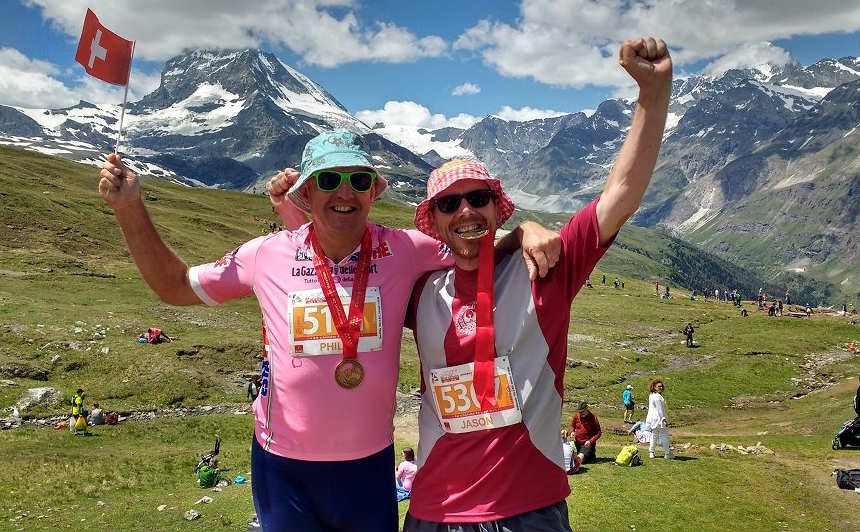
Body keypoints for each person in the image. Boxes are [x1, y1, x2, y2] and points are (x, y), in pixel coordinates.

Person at [100, 130, 560, 532]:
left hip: (368, 468)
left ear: (372, 193)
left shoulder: (405, 249)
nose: (345, 191)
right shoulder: (266, 254)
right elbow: (175, 285)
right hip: (285, 470)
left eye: (359, 181)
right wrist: (129, 208)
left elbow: (472, 239)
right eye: (328, 179)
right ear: (305, 194)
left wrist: (525, 232)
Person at [402, 36, 672, 530]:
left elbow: (620, 196)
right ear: (434, 222)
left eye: (478, 197)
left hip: (528, 509)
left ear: (495, 206)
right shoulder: (418, 290)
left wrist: (653, 96)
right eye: (448, 204)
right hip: (432, 511)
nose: (465, 211)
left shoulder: (544, 271)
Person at [646, 379, 673, 459]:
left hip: (652, 419)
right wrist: (663, 419)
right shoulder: (658, 397)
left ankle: (651, 452)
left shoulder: (651, 395)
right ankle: (667, 453)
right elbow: (660, 409)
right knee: (664, 435)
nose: (660, 388)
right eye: (659, 386)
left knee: (654, 435)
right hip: (658, 419)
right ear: (654, 387)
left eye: (661, 386)